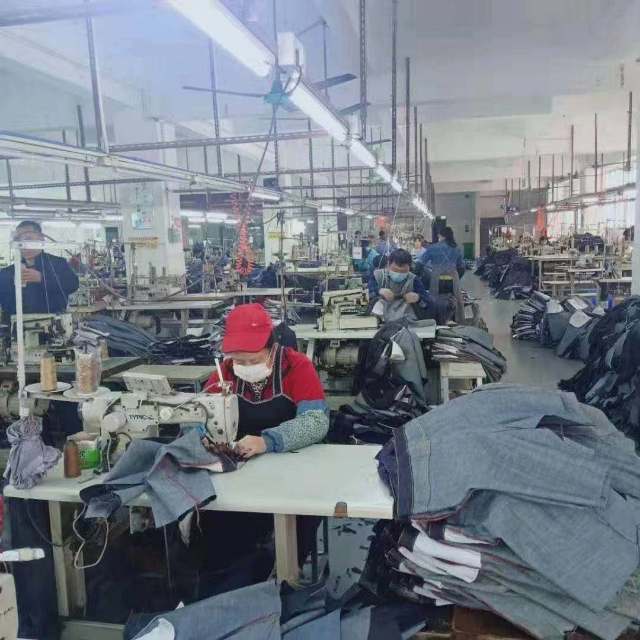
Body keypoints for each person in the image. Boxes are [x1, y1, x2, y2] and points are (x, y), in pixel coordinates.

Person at [199, 304, 329, 571]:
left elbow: (316, 422)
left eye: (253, 360)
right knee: (218, 523)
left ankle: (285, 575)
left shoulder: (297, 366)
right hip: (244, 471)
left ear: (271, 347)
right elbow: (201, 415)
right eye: (240, 361)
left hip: (296, 468)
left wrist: (267, 441)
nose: (245, 367)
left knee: (296, 523)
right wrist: (202, 435)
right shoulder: (225, 372)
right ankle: (239, 578)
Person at [0, 220, 79, 315]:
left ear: (41, 239)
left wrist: (42, 278)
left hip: (54, 321)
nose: (24, 245)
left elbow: (73, 285)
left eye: (28, 239)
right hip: (18, 322)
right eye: (18, 240)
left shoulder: (58, 263)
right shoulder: (7, 272)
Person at [368, 248, 433, 322]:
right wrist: (379, 291)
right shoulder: (378, 275)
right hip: (380, 319)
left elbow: (428, 303)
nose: (399, 274)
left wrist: (418, 298)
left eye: (403, 271)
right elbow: (368, 293)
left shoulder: (414, 280)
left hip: (407, 320)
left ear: (410, 267)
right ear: (388, 264)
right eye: (395, 270)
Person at [418, 226, 465, 322]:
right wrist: (457, 277)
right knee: (457, 299)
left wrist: (418, 275)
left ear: (441, 235)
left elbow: (420, 263)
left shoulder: (432, 248)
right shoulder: (457, 248)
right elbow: (461, 267)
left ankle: (436, 321)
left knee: (434, 299)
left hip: (436, 276)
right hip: (453, 275)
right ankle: (459, 321)